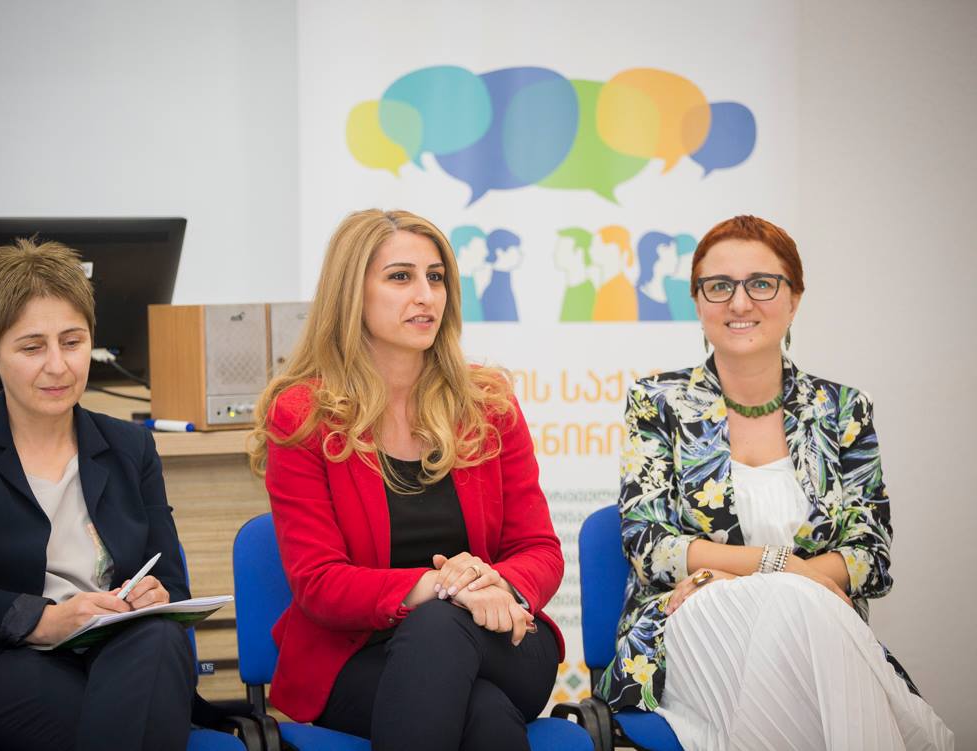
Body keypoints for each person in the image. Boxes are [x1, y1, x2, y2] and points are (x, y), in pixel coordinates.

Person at [596, 215, 954, 749]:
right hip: (689, 622)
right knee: (800, 615)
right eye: (719, 286)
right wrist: (780, 567)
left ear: (794, 298)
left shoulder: (843, 409)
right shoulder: (657, 402)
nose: (740, 303)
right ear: (698, 301)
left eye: (761, 283)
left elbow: (870, 555)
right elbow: (648, 544)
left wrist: (770, 581)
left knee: (795, 615)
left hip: (813, 629)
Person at [249, 209, 564, 751]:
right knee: (485, 715)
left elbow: (539, 550)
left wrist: (494, 585)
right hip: (357, 656)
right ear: (351, 293)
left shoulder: (488, 404)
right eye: (400, 277)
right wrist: (444, 586)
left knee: (441, 629)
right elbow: (320, 583)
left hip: (499, 635)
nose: (426, 295)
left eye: (435, 277)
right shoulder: (303, 415)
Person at [0, 238, 196, 751]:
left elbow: (174, 586)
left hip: (112, 652)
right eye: (32, 348)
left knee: (159, 638)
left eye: (72, 342)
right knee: (113, 718)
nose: (58, 366)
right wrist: (44, 621)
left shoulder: (131, 446)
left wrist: (155, 597)